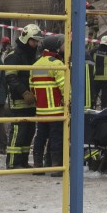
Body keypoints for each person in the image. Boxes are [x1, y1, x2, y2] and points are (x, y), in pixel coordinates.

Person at [4, 23, 41, 169]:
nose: (36, 44)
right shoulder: (13, 56)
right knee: (18, 132)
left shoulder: (32, 55)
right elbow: (11, 78)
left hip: (31, 101)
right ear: (26, 38)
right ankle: (13, 162)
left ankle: (23, 161)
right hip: (18, 100)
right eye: (34, 41)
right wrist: (24, 92)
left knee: (29, 131)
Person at [30, 35, 66, 175]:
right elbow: (64, 87)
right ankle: (56, 168)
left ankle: (38, 166)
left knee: (40, 137)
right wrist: (70, 102)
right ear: (56, 47)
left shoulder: (36, 65)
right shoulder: (57, 64)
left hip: (41, 110)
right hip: (56, 110)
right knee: (56, 138)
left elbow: (32, 87)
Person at [89, 35, 107, 109]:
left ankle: (92, 107)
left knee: (94, 94)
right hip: (106, 78)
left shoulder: (94, 51)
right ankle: (103, 108)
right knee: (104, 96)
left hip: (95, 77)